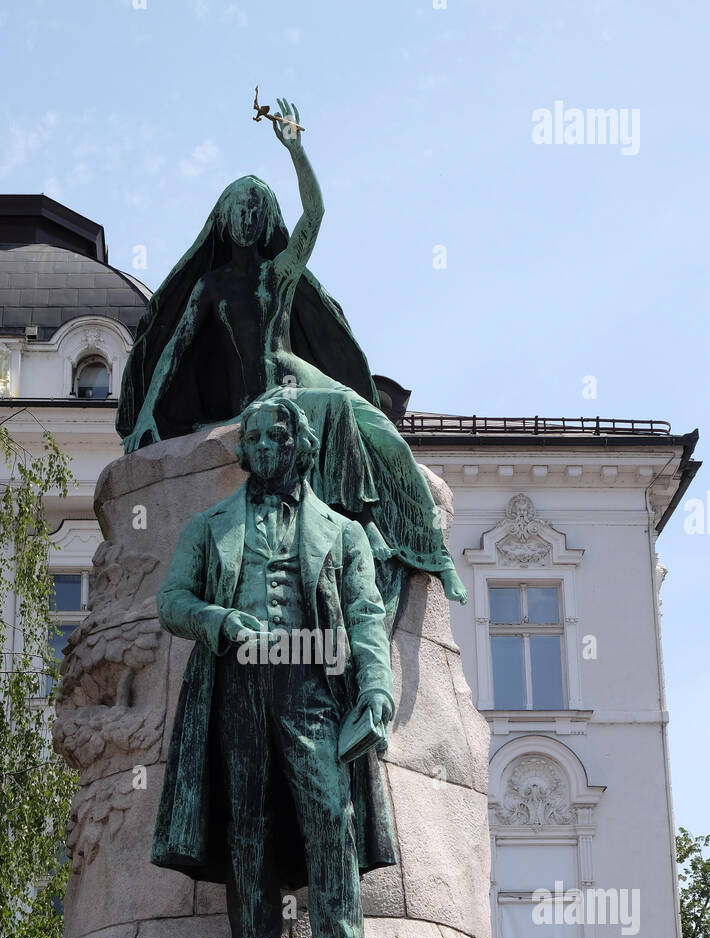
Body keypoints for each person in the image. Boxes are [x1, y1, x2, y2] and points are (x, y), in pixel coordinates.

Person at [117, 98, 467, 619]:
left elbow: (316, 215)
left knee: (385, 433)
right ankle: (366, 524)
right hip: (262, 398)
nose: (246, 216)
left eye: (255, 209)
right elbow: (174, 352)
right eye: (237, 208)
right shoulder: (210, 287)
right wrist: (147, 414)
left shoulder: (276, 273)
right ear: (222, 217)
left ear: (265, 221)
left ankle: (432, 549)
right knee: (337, 413)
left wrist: (297, 152)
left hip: (293, 375)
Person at [152, 396, 400, 938]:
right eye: (254, 438)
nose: (263, 449)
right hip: (238, 681)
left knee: (330, 813)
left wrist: (376, 687)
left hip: (312, 679)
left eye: (275, 438)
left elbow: (367, 614)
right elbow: (171, 602)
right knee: (247, 823)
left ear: (300, 445)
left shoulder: (342, 533)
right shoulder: (210, 525)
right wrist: (217, 619)